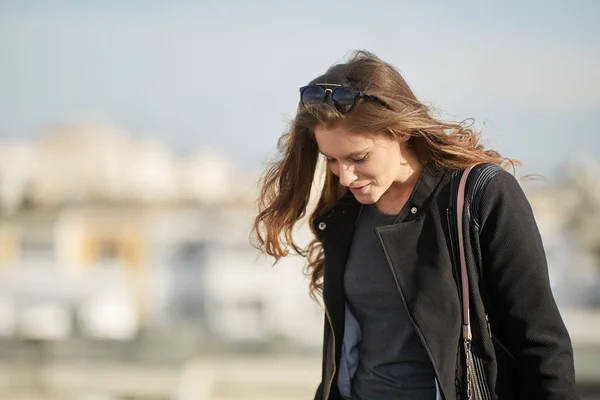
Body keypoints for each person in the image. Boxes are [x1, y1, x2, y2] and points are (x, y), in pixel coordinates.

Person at [252, 50, 578, 400]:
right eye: (331, 160)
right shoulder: (344, 214)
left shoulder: (481, 196)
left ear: (402, 130)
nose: (345, 176)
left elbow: (543, 348)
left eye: (358, 157)